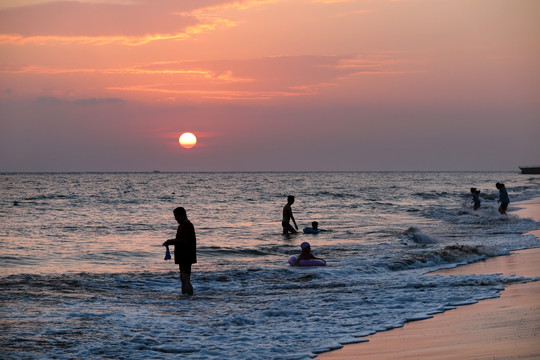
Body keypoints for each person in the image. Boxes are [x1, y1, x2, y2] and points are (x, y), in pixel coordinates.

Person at [162, 207, 197, 295]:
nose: (175, 218)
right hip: (183, 255)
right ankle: (185, 296)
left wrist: (171, 241)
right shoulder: (182, 225)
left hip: (186, 254)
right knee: (183, 277)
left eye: (176, 216)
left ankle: (189, 296)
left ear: (182, 215)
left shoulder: (187, 225)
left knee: (185, 277)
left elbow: (184, 240)